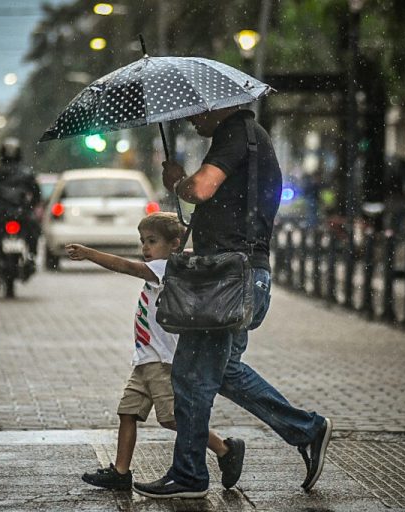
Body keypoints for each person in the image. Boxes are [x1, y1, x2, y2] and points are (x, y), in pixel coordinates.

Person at [132, 107, 333, 499]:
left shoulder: (235, 135)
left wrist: (178, 182)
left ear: (220, 106)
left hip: (229, 281)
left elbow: (202, 188)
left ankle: (188, 476)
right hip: (242, 277)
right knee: (223, 371)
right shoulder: (249, 137)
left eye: (197, 112)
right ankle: (307, 430)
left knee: (190, 376)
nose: (191, 119)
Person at [66, 212, 245, 492]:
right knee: (128, 412)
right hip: (144, 361)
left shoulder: (166, 268)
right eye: (143, 241)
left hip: (164, 361)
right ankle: (120, 472)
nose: (145, 248)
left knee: (173, 418)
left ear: (173, 244)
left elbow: (126, 266)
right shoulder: (166, 264)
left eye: (152, 241)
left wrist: (90, 253)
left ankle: (224, 449)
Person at [0, 137, 41, 276]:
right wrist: (31, 205)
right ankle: (31, 256)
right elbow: (36, 193)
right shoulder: (26, 173)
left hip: (0, 214)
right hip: (21, 214)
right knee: (34, 229)